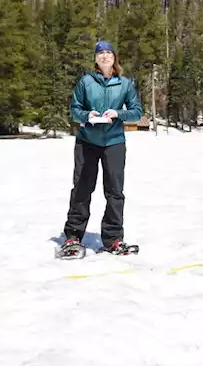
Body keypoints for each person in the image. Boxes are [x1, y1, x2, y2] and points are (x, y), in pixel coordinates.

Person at [58, 40, 143, 258]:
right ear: (96, 59)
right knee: (82, 188)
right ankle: (73, 237)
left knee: (115, 191)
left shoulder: (125, 84)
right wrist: (88, 116)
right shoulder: (86, 82)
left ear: (114, 58)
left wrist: (118, 114)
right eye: (100, 53)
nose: (104, 56)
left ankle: (113, 238)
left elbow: (136, 112)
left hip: (114, 142)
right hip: (87, 142)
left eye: (108, 53)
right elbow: (74, 109)